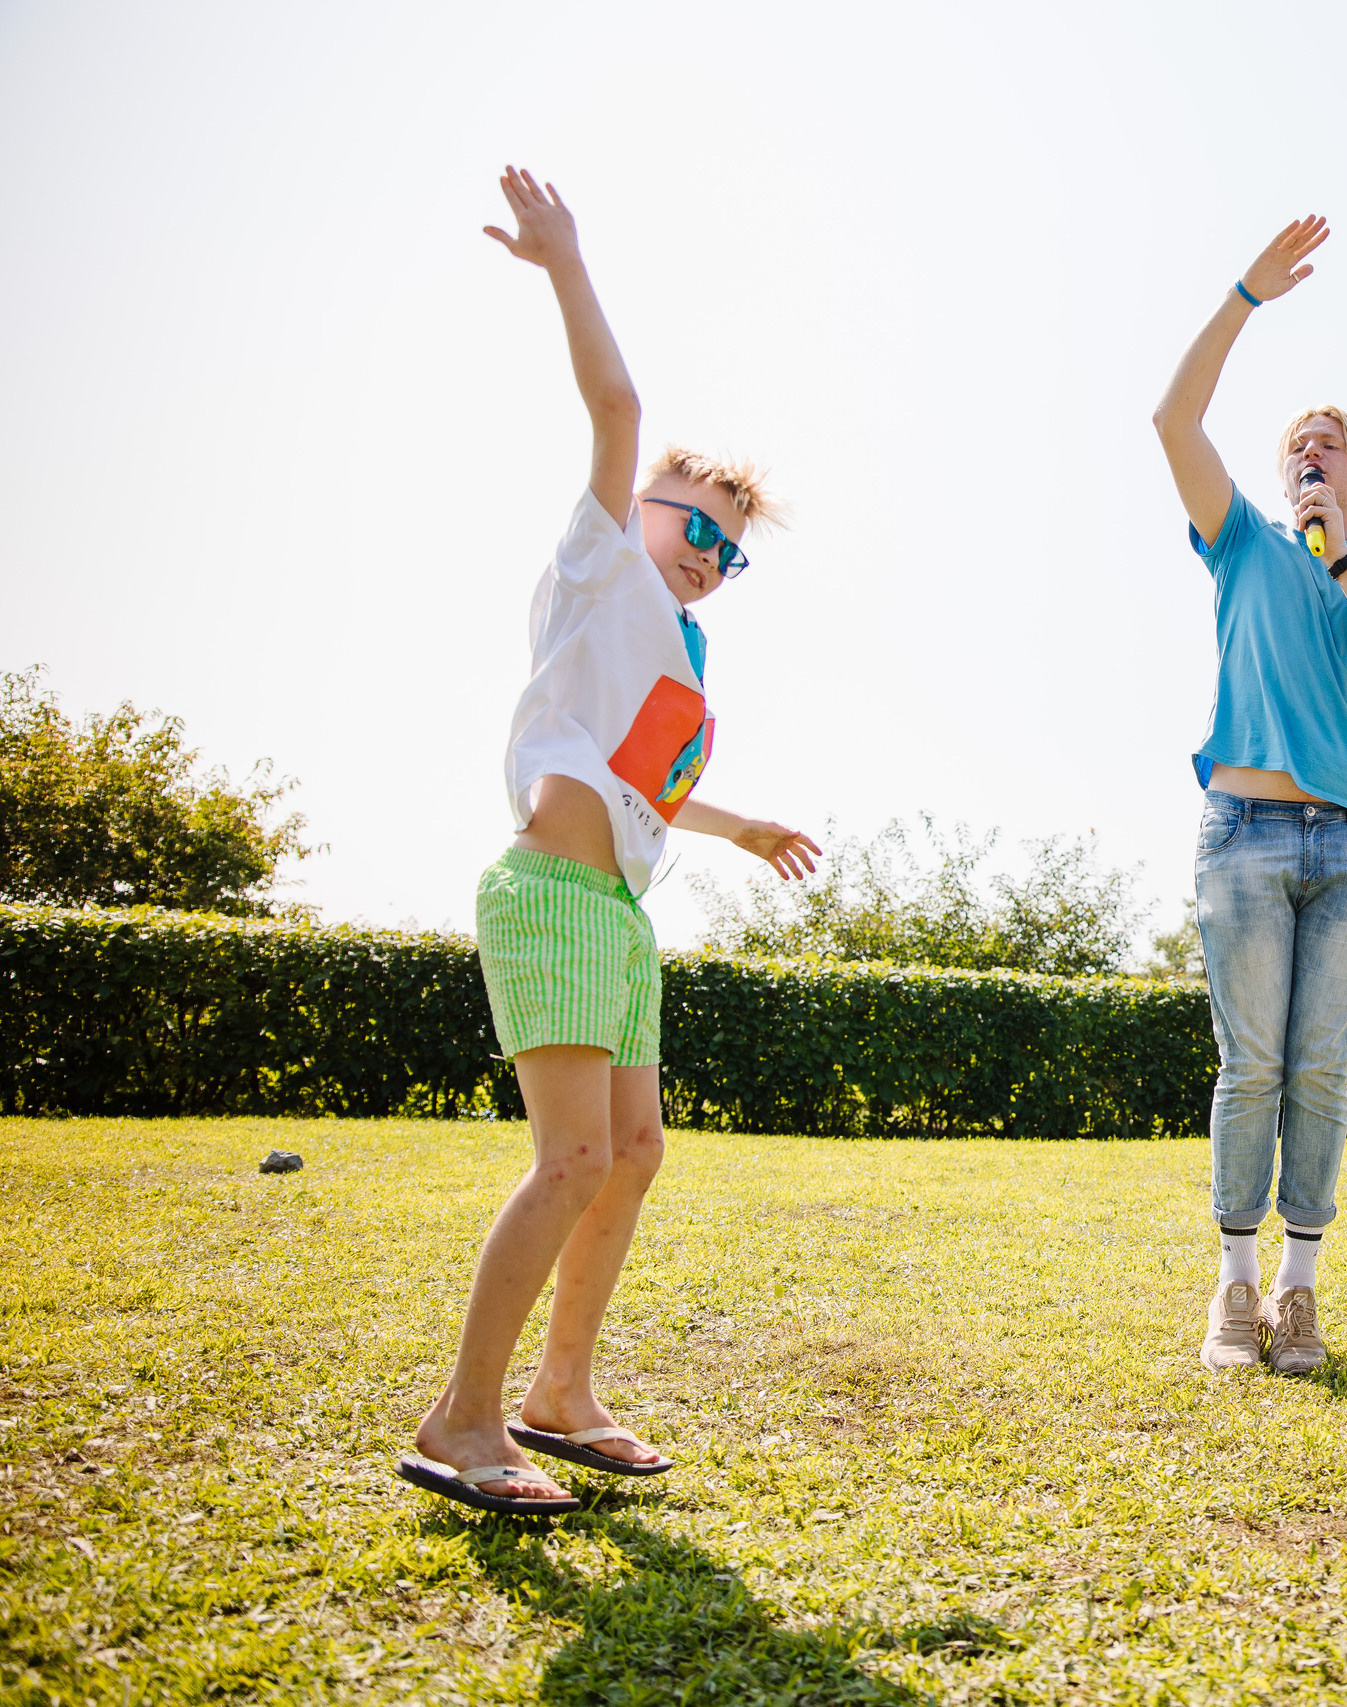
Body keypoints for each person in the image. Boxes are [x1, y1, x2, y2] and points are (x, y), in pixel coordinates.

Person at [397, 167, 821, 1515]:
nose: (706, 551)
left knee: (633, 1150)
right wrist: (566, 262)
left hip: (619, 911)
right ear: (640, 513)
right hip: (550, 899)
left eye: (728, 547)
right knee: (571, 1157)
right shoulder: (599, 569)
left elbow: (637, 787)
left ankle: (559, 1394)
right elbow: (619, 408)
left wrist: (739, 823)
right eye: (693, 521)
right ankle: (463, 1416)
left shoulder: (678, 650)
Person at [1150, 216, 1347, 1376]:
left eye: (1331, 446)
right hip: (1245, 833)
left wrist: (1343, 557)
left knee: (1320, 1070)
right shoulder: (1238, 543)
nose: (1311, 455)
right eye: (1298, 446)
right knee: (1252, 1065)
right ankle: (1232, 1288)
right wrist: (1242, 296)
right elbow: (1171, 421)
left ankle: (1299, 1291)